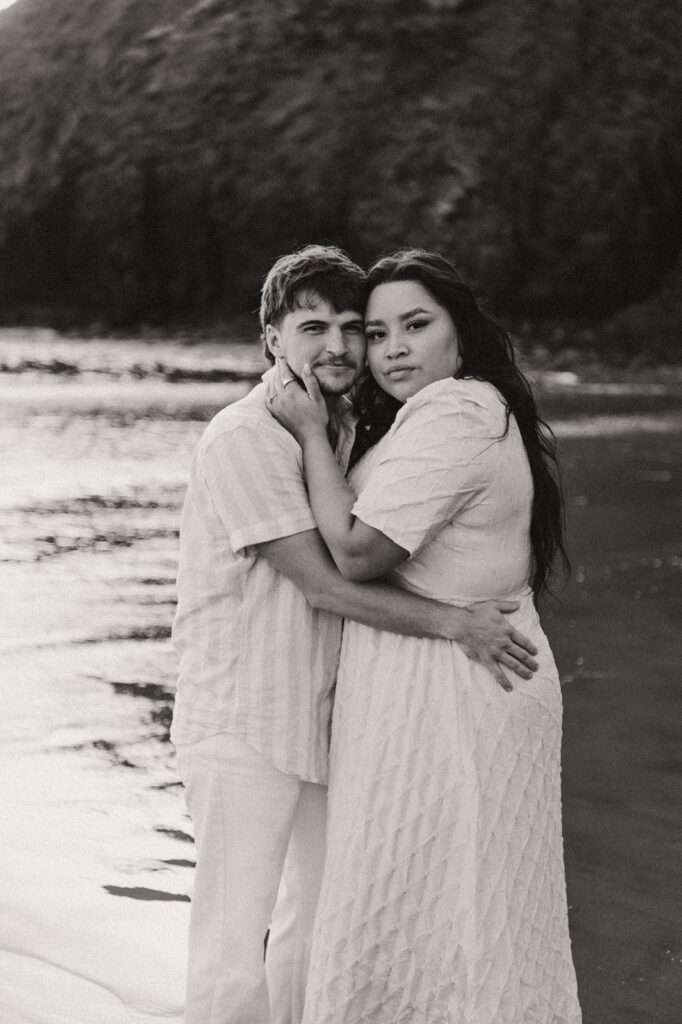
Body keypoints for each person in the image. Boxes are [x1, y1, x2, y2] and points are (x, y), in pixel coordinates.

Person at [170, 245, 540, 1024]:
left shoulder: (340, 430)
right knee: (233, 948)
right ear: (271, 337)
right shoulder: (247, 436)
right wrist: (453, 624)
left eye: (352, 328)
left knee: (315, 932)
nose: (338, 347)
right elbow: (325, 581)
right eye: (313, 327)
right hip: (244, 721)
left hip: (323, 724)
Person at [267, 249, 582, 1024]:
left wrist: (308, 430)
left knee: (442, 913)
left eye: (415, 325)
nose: (393, 348)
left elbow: (358, 551)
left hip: (456, 696)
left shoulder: (457, 414)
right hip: (444, 686)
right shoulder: (442, 413)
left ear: (460, 334)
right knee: (451, 915)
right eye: (376, 334)